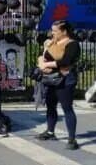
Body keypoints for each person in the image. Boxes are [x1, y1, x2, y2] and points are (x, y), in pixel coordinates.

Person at [36, 20, 80, 150]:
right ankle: (50, 132)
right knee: (51, 105)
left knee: (67, 107)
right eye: (52, 30)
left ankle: (72, 139)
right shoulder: (52, 43)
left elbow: (66, 61)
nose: (52, 33)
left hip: (65, 79)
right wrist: (46, 48)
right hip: (51, 79)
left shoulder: (73, 44)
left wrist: (47, 65)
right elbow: (45, 57)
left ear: (64, 31)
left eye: (55, 31)